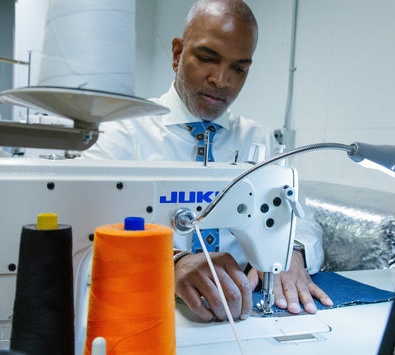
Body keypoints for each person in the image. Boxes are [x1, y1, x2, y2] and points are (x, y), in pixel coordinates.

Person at [82, 0, 333, 322]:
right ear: (177, 54)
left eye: (239, 68)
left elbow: (302, 219)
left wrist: (293, 252)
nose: (221, 80)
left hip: (243, 310)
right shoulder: (122, 131)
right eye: (206, 59)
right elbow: (82, 238)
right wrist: (168, 263)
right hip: (149, 312)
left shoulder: (257, 138)